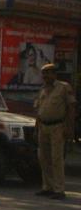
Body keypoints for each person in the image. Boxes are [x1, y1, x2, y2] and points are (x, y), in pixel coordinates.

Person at [34, 64, 76, 200]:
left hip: (57, 126)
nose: (45, 76)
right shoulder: (42, 90)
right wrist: (36, 127)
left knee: (56, 158)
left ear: (54, 74)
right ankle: (47, 187)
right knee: (43, 158)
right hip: (43, 126)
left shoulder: (64, 87)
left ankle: (59, 189)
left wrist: (70, 127)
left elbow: (71, 108)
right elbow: (38, 110)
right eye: (43, 74)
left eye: (48, 73)